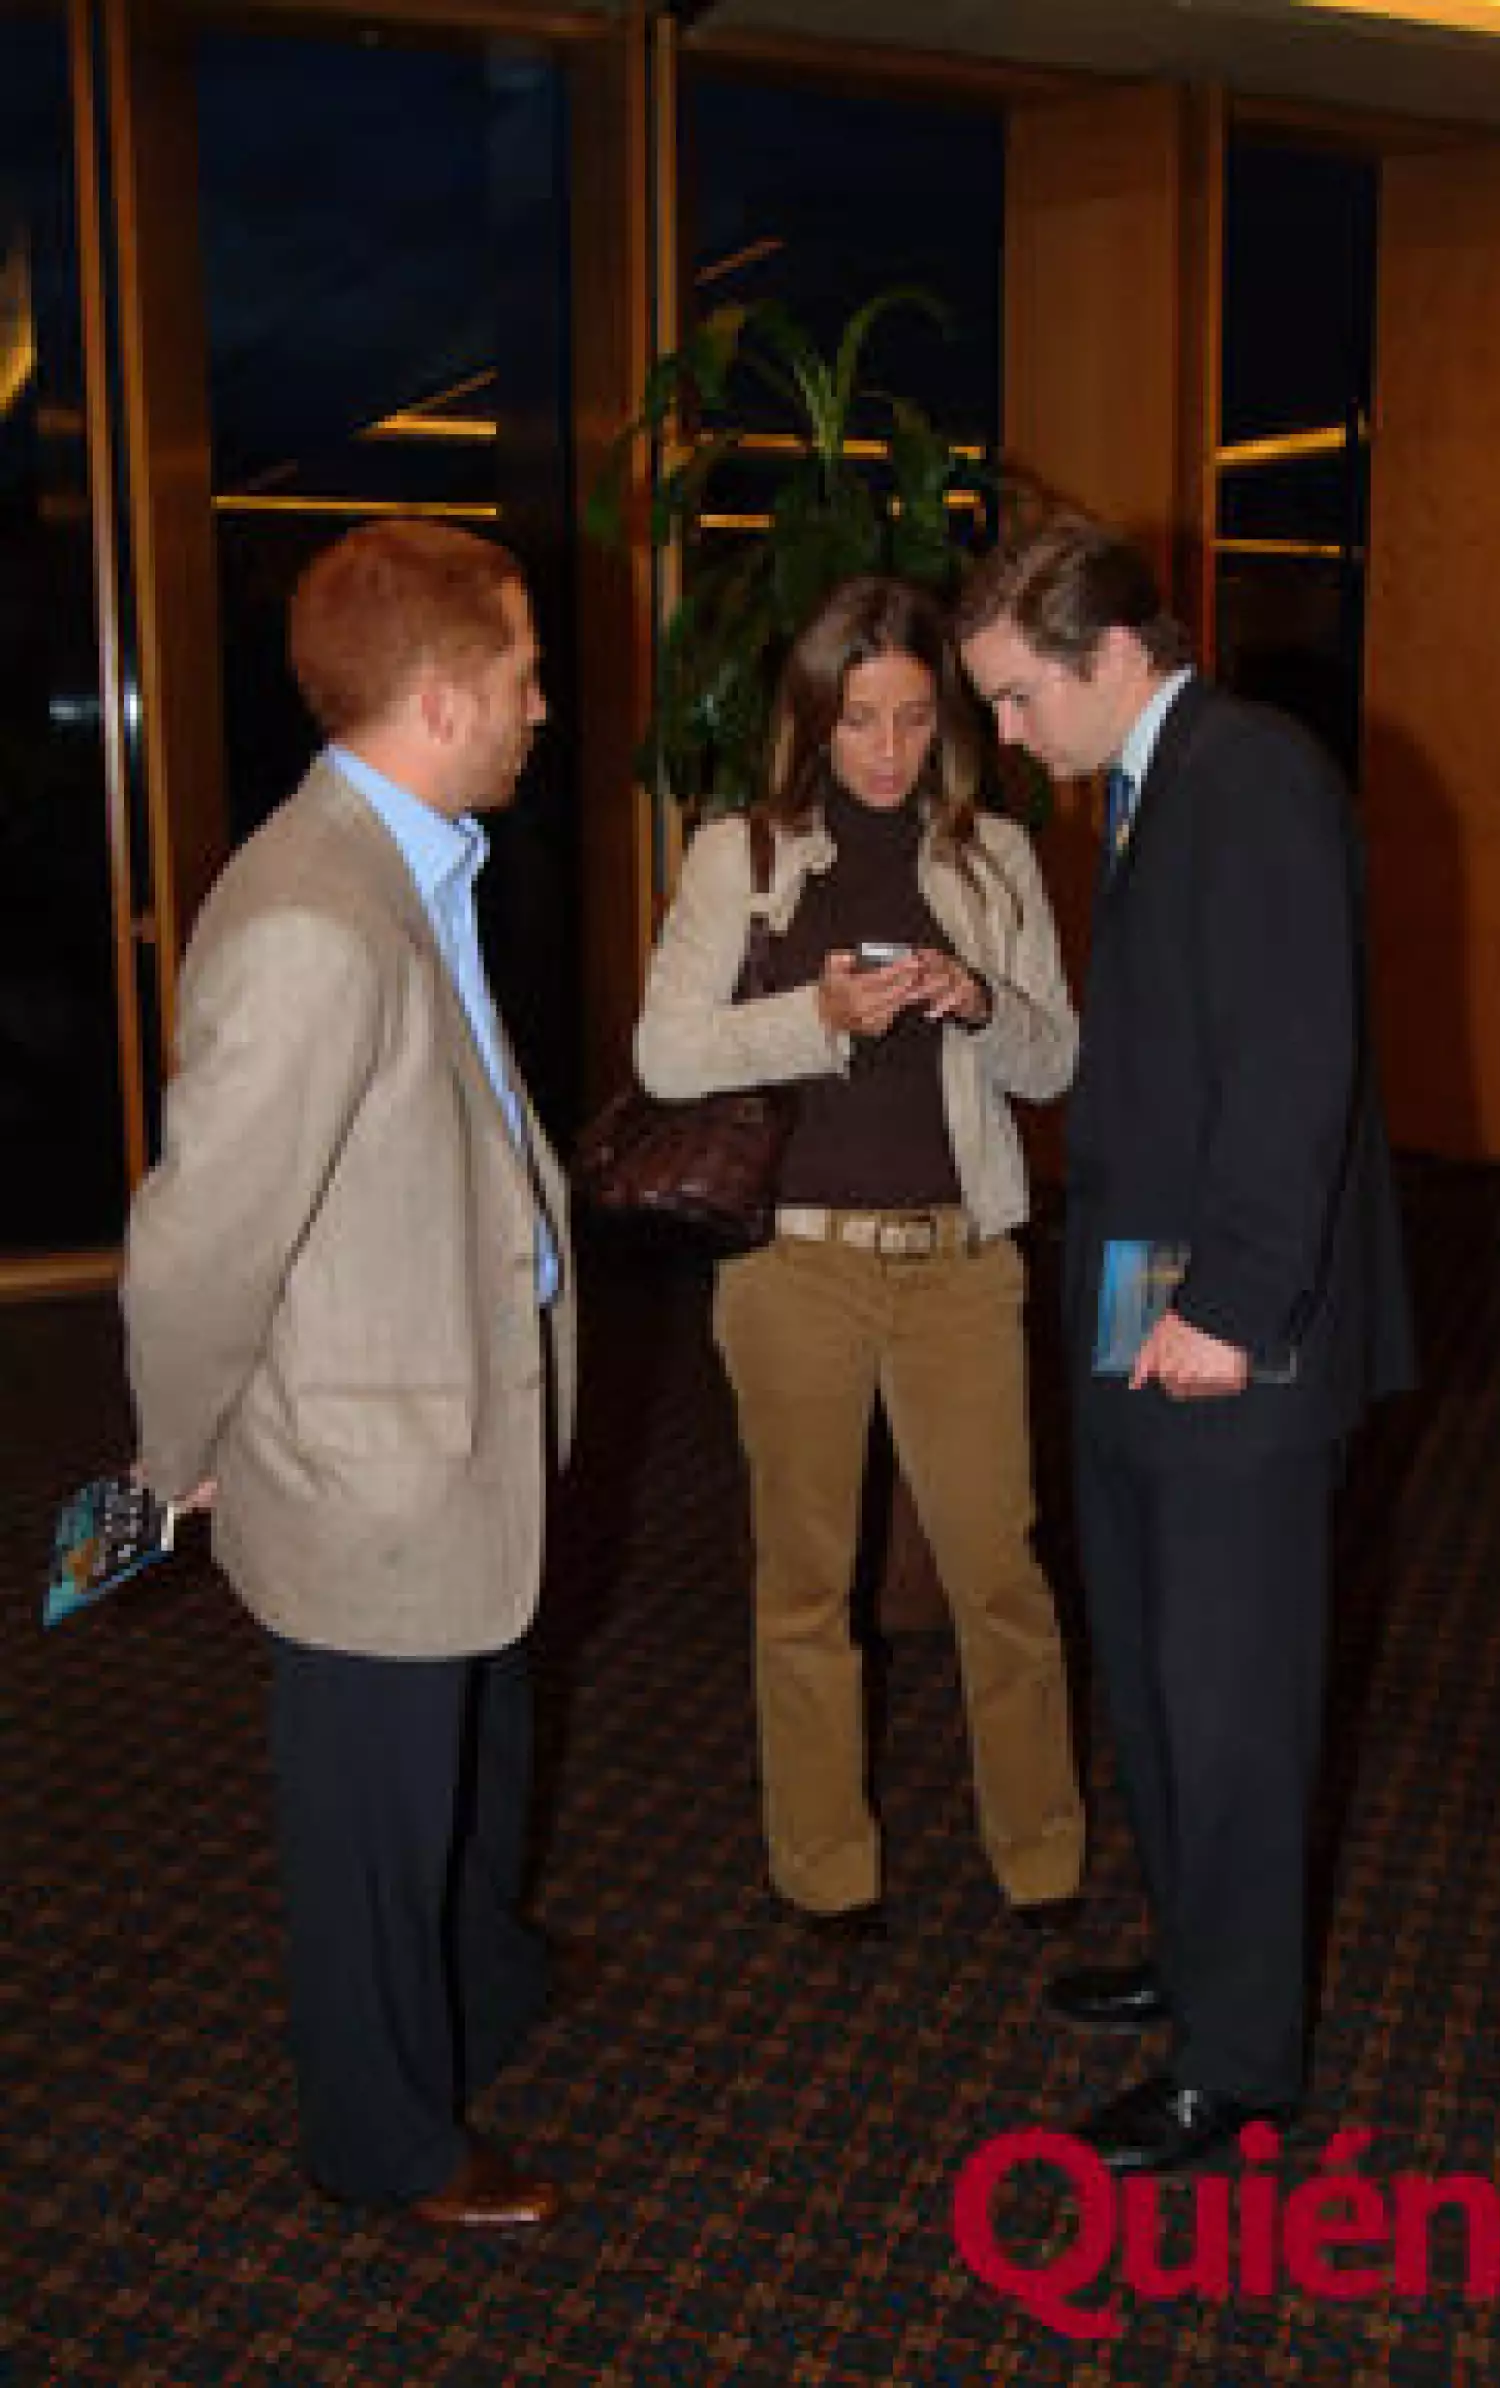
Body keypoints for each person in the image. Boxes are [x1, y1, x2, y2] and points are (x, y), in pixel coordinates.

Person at [122, 521, 574, 2228]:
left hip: (462, 1437)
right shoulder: (318, 919)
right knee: (370, 1819)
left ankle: (485, 1976)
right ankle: (381, 2141)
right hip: (376, 1475)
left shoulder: (412, 861)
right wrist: (177, 1461)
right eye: (525, 677)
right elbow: (193, 1250)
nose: (544, 705)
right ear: (447, 701)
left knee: (475, 1759)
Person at [957, 515, 1414, 2172]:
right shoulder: (1167, 776)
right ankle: (1202, 1957)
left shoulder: (1254, 775)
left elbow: (1298, 1071)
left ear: (1114, 657)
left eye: (1016, 700)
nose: (1008, 737)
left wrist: (1226, 1312)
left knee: (1230, 1700)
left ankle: (1244, 2061)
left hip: (1234, 1321)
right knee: (1154, 1669)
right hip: (1149, 1291)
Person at [634, 574, 1085, 1940]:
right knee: (806, 1583)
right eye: (858, 722)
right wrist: (812, 1015)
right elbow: (662, 1054)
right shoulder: (742, 855)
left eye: (909, 720)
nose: (887, 751)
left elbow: (1058, 1057)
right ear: (812, 721)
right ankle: (825, 1865)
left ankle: (1041, 1852)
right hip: (798, 1268)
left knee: (999, 1572)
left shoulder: (995, 855)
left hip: (959, 1262)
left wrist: (976, 998)